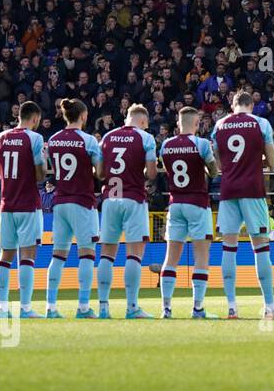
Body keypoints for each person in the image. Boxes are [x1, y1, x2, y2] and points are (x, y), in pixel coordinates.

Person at [213, 91, 274, 320]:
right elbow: (273, 162)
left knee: (229, 247)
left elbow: (217, 163)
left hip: (228, 191)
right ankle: (269, 306)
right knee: (261, 247)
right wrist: (260, 159)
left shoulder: (220, 125)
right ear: (251, 106)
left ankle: (232, 307)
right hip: (253, 189)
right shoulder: (261, 123)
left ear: (233, 105)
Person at [98, 104, 159, 319]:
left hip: (111, 198)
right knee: (134, 254)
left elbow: (99, 172)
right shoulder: (145, 138)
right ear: (143, 121)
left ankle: (103, 307)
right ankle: (132, 307)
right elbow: (151, 173)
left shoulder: (107, 137)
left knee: (107, 254)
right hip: (133, 197)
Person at [43, 99, 103, 318]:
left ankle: (50, 307)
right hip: (82, 201)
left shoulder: (53, 139)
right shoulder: (88, 140)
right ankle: (83, 307)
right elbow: (101, 173)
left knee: (58, 255)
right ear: (84, 116)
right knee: (87, 254)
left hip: (60, 202)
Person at [158, 107, 219, 319]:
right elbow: (214, 171)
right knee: (201, 256)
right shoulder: (201, 144)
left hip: (175, 203)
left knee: (171, 257)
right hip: (197, 202)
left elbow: (168, 170)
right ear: (196, 124)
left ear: (178, 123)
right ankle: (198, 308)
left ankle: (166, 309)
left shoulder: (166, 145)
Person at [0, 101, 47, 319]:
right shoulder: (35, 139)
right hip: (28, 204)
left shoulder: (0, 138)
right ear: (34, 119)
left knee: (5, 255)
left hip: (7, 204)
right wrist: (43, 158)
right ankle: (25, 309)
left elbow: (0, 172)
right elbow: (40, 175)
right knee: (27, 256)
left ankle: (3, 309)